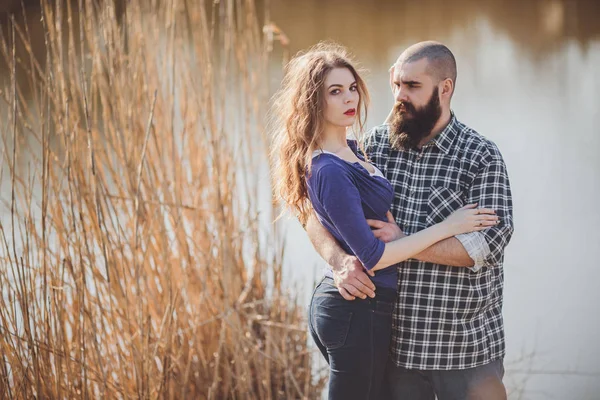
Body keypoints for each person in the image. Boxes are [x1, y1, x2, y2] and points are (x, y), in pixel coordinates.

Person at [270, 42, 499, 400]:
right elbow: (309, 208)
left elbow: (482, 249)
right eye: (395, 85)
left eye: (412, 86)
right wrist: (339, 259)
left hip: (459, 348)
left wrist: (404, 239)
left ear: (445, 88)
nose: (398, 96)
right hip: (394, 342)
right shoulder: (376, 144)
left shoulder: (479, 156)